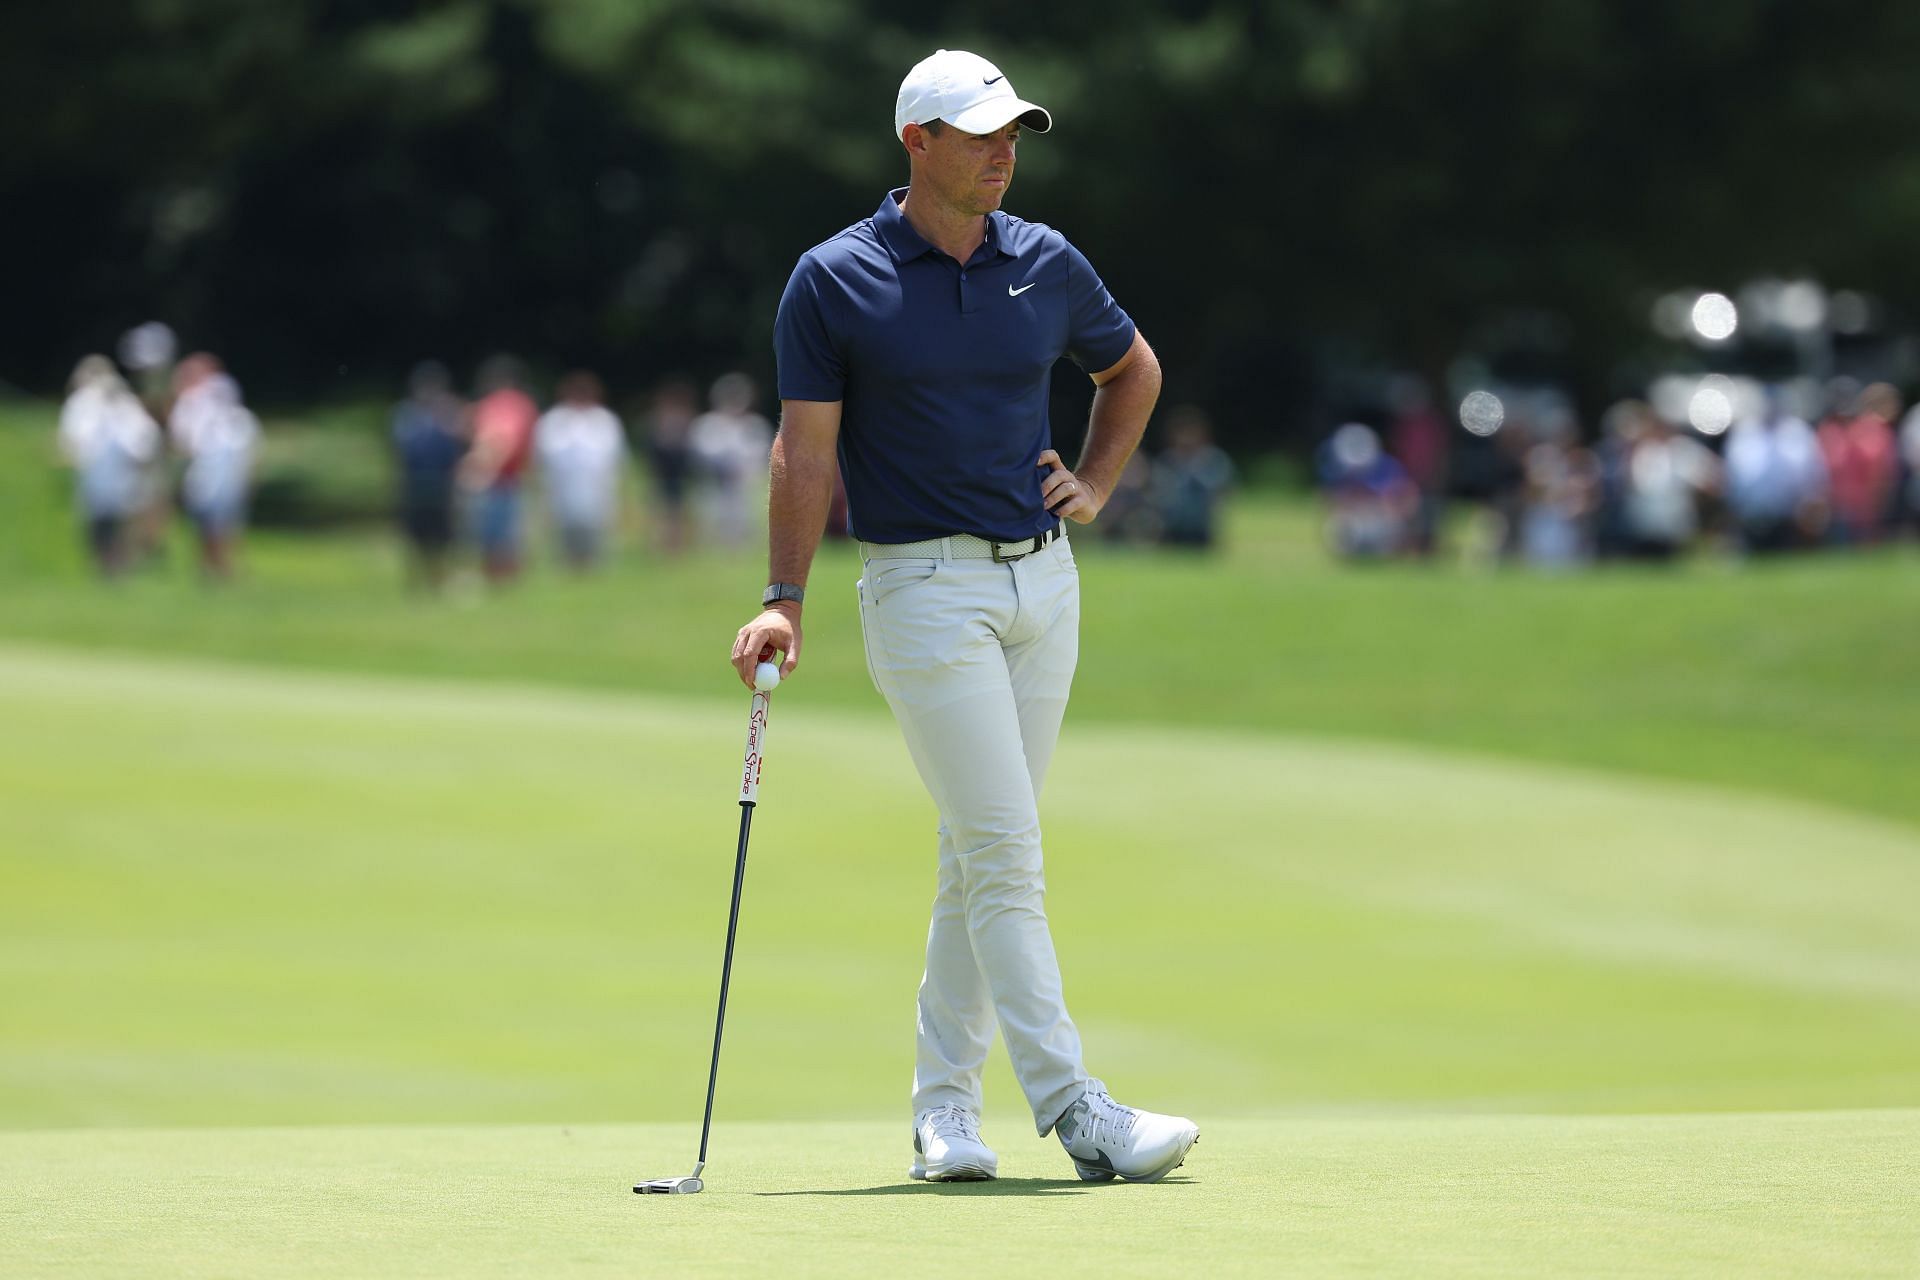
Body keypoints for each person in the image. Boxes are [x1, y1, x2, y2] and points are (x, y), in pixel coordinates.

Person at [729, 48, 1198, 1186]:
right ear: (917, 142)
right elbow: (804, 449)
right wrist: (784, 597)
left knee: (975, 855)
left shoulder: (1044, 260)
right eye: (982, 131)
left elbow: (1131, 370)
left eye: (1016, 132)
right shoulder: (834, 277)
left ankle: (945, 1112)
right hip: (921, 589)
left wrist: (1093, 485)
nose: (1005, 151)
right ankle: (1076, 1107)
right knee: (1003, 850)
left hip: (1045, 584)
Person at [57, 355, 161, 575]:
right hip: (113, 468)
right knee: (111, 519)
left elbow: (72, 438)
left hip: (115, 468)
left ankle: (113, 563)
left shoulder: (92, 401)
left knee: (113, 519)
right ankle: (110, 563)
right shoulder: (117, 400)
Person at [168, 354, 258, 580]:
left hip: (209, 470)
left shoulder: (193, 401)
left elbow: (182, 441)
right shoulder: (225, 397)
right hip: (224, 467)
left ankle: (215, 569)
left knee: (212, 525)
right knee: (223, 524)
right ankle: (220, 569)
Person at [535, 370, 628, 569]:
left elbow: (613, 455)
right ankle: (569, 564)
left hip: (596, 484)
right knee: (565, 528)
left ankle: (592, 564)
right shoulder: (554, 419)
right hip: (561, 484)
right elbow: (545, 452)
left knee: (594, 527)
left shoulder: (604, 419)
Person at [391, 361, 470, 592]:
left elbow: (460, 445)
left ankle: (439, 580)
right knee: (416, 537)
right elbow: (402, 450)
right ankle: (416, 582)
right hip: (415, 484)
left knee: (443, 537)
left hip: (442, 484)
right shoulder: (405, 415)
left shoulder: (449, 415)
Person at [461, 355, 540, 582]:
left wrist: (479, 468)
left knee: (497, 541)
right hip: (512, 480)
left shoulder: (500, 405)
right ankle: (503, 584)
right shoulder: (523, 405)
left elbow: (502, 440)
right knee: (503, 540)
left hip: (499, 481)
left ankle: (499, 583)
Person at [689, 371, 774, 547]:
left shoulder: (754, 425)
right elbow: (702, 453)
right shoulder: (708, 424)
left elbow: (761, 454)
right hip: (714, 483)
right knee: (714, 524)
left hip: (745, 484)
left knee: (745, 525)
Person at [1153, 405, 1236, 549]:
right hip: (1172, 528)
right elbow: (1159, 491)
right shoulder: (1167, 461)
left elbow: (1222, 490)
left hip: (1200, 528)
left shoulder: (1214, 460)